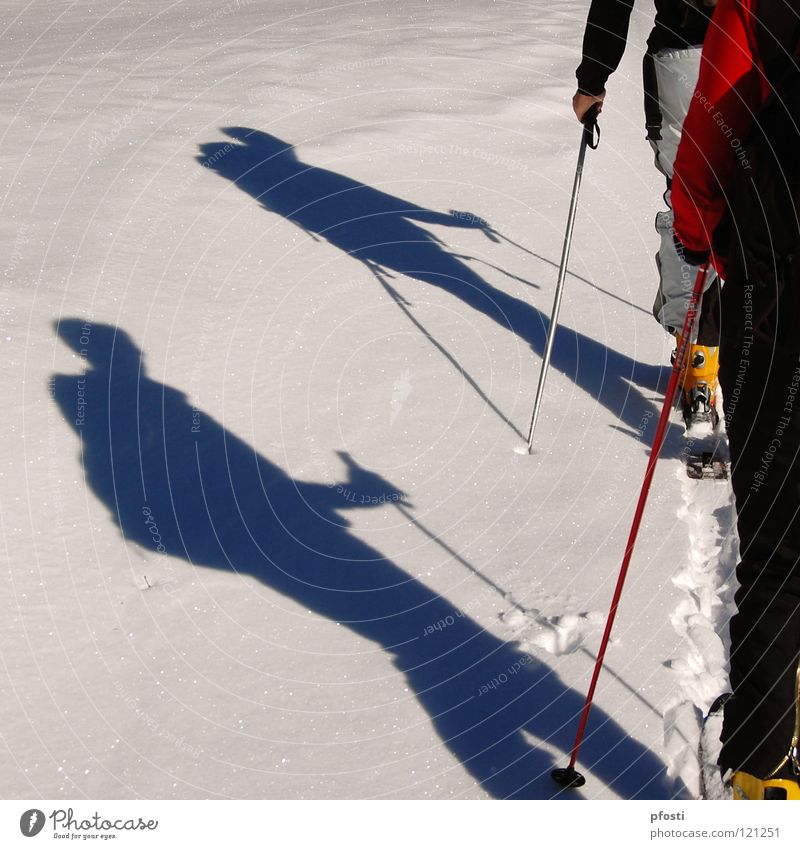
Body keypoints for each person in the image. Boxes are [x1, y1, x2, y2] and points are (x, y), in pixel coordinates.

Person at [672, 0, 800, 800]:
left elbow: (716, 126)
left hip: (778, 293)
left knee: (783, 552)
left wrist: (695, 231)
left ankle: (763, 782)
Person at [573, 0, 723, 427]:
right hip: (763, 64)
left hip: (680, 62)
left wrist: (592, 79)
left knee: (692, 212)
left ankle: (698, 362)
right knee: (763, 214)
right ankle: (767, 367)